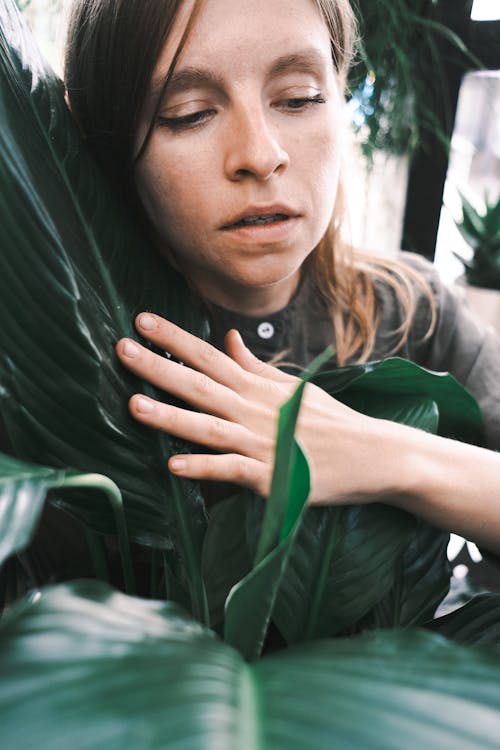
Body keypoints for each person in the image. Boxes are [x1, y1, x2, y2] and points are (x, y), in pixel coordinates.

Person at [64, 0, 500, 555]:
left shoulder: (415, 311)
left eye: (299, 98)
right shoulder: (69, 356)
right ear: (107, 147)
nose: (260, 155)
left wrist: (389, 456)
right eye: (189, 111)